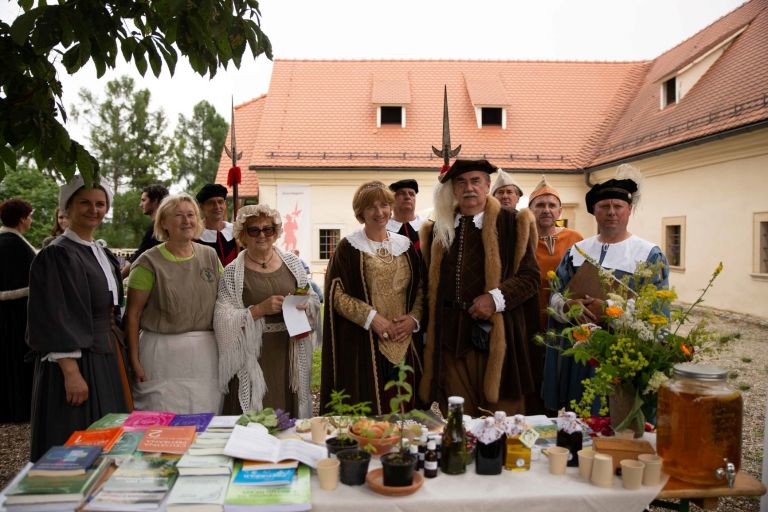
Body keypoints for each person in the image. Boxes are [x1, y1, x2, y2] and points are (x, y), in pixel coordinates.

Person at [542, 165, 669, 413]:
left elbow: (656, 311)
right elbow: (553, 296)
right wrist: (568, 306)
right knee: (580, 417)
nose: (612, 212)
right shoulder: (577, 252)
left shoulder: (648, 255)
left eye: (618, 206)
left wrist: (609, 309)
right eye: (604, 207)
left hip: (624, 356)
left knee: (619, 419)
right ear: (595, 212)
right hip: (579, 357)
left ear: (629, 210)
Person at [418, 160, 539, 416]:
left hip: (498, 339)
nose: (468, 188)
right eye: (461, 182)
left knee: (500, 418)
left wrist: (494, 300)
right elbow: (426, 286)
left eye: (475, 181)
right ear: (453, 189)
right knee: (458, 417)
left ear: (487, 186)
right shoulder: (438, 230)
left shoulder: (513, 224)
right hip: (451, 339)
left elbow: (530, 278)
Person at [27, 175, 130, 461]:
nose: (93, 209)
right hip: (75, 361)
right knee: (75, 436)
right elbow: (52, 315)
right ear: (67, 208)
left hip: (106, 353)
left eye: (100, 203)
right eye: (84, 202)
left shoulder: (100, 251)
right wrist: (71, 372)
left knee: (108, 434)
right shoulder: (57, 254)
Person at [320, 181, 424, 416]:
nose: (380, 213)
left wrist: (413, 319)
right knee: (369, 413)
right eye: (372, 207)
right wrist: (372, 318)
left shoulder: (405, 246)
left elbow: (420, 288)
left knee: (405, 409)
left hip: (404, 341)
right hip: (364, 344)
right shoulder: (349, 247)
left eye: (384, 205)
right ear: (361, 213)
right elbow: (335, 294)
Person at [215, 205, 319, 418]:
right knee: (257, 418)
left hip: (288, 350)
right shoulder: (233, 271)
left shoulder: (292, 263)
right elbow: (221, 316)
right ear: (242, 234)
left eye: (268, 229)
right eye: (254, 230)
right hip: (254, 354)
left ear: (276, 232)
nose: (262, 235)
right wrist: (258, 310)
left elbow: (313, 297)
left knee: (290, 413)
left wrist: (306, 305)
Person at [125, 194, 223, 414]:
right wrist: (134, 360)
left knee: (204, 416)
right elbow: (133, 315)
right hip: (161, 355)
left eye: (191, 215)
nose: (186, 221)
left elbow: (228, 298)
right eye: (178, 216)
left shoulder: (209, 256)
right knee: (160, 420)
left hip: (205, 355)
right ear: (164, 223)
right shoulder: (148, 263)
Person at [529, 176, 584, 332]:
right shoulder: (522, 240)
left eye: (552, 205)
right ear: (530, 211)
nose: (546, 210)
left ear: (560, 212)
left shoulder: (575, 238)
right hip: (530, 315)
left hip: (567, 318)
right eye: (540, 205)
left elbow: (583, 279)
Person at [0, 199, 36, 422]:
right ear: (22, 218)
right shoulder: (15, 245)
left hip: (7, 311)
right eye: (29, 215)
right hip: (16, 313)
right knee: (15, 359)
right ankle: (17, 409)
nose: (31, 219)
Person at [121, 184, 169, 278]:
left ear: (155, 200)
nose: (140, 204)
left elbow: (138, 258)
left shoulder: (156, 227)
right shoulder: (167, 225)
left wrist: (116, 281)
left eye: (143, 200)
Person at [196, 183, 238, 266]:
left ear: (225, 204)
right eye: (211, 203)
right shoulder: (194, 235)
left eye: (220, 202)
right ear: (201, 207)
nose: (217, 206)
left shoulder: (235, 231)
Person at [386, 179, 424, 251]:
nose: (407, 197)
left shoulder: (427, 227)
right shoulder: (383, 229)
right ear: (392, 200)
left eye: (411, 194)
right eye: (401, 193)